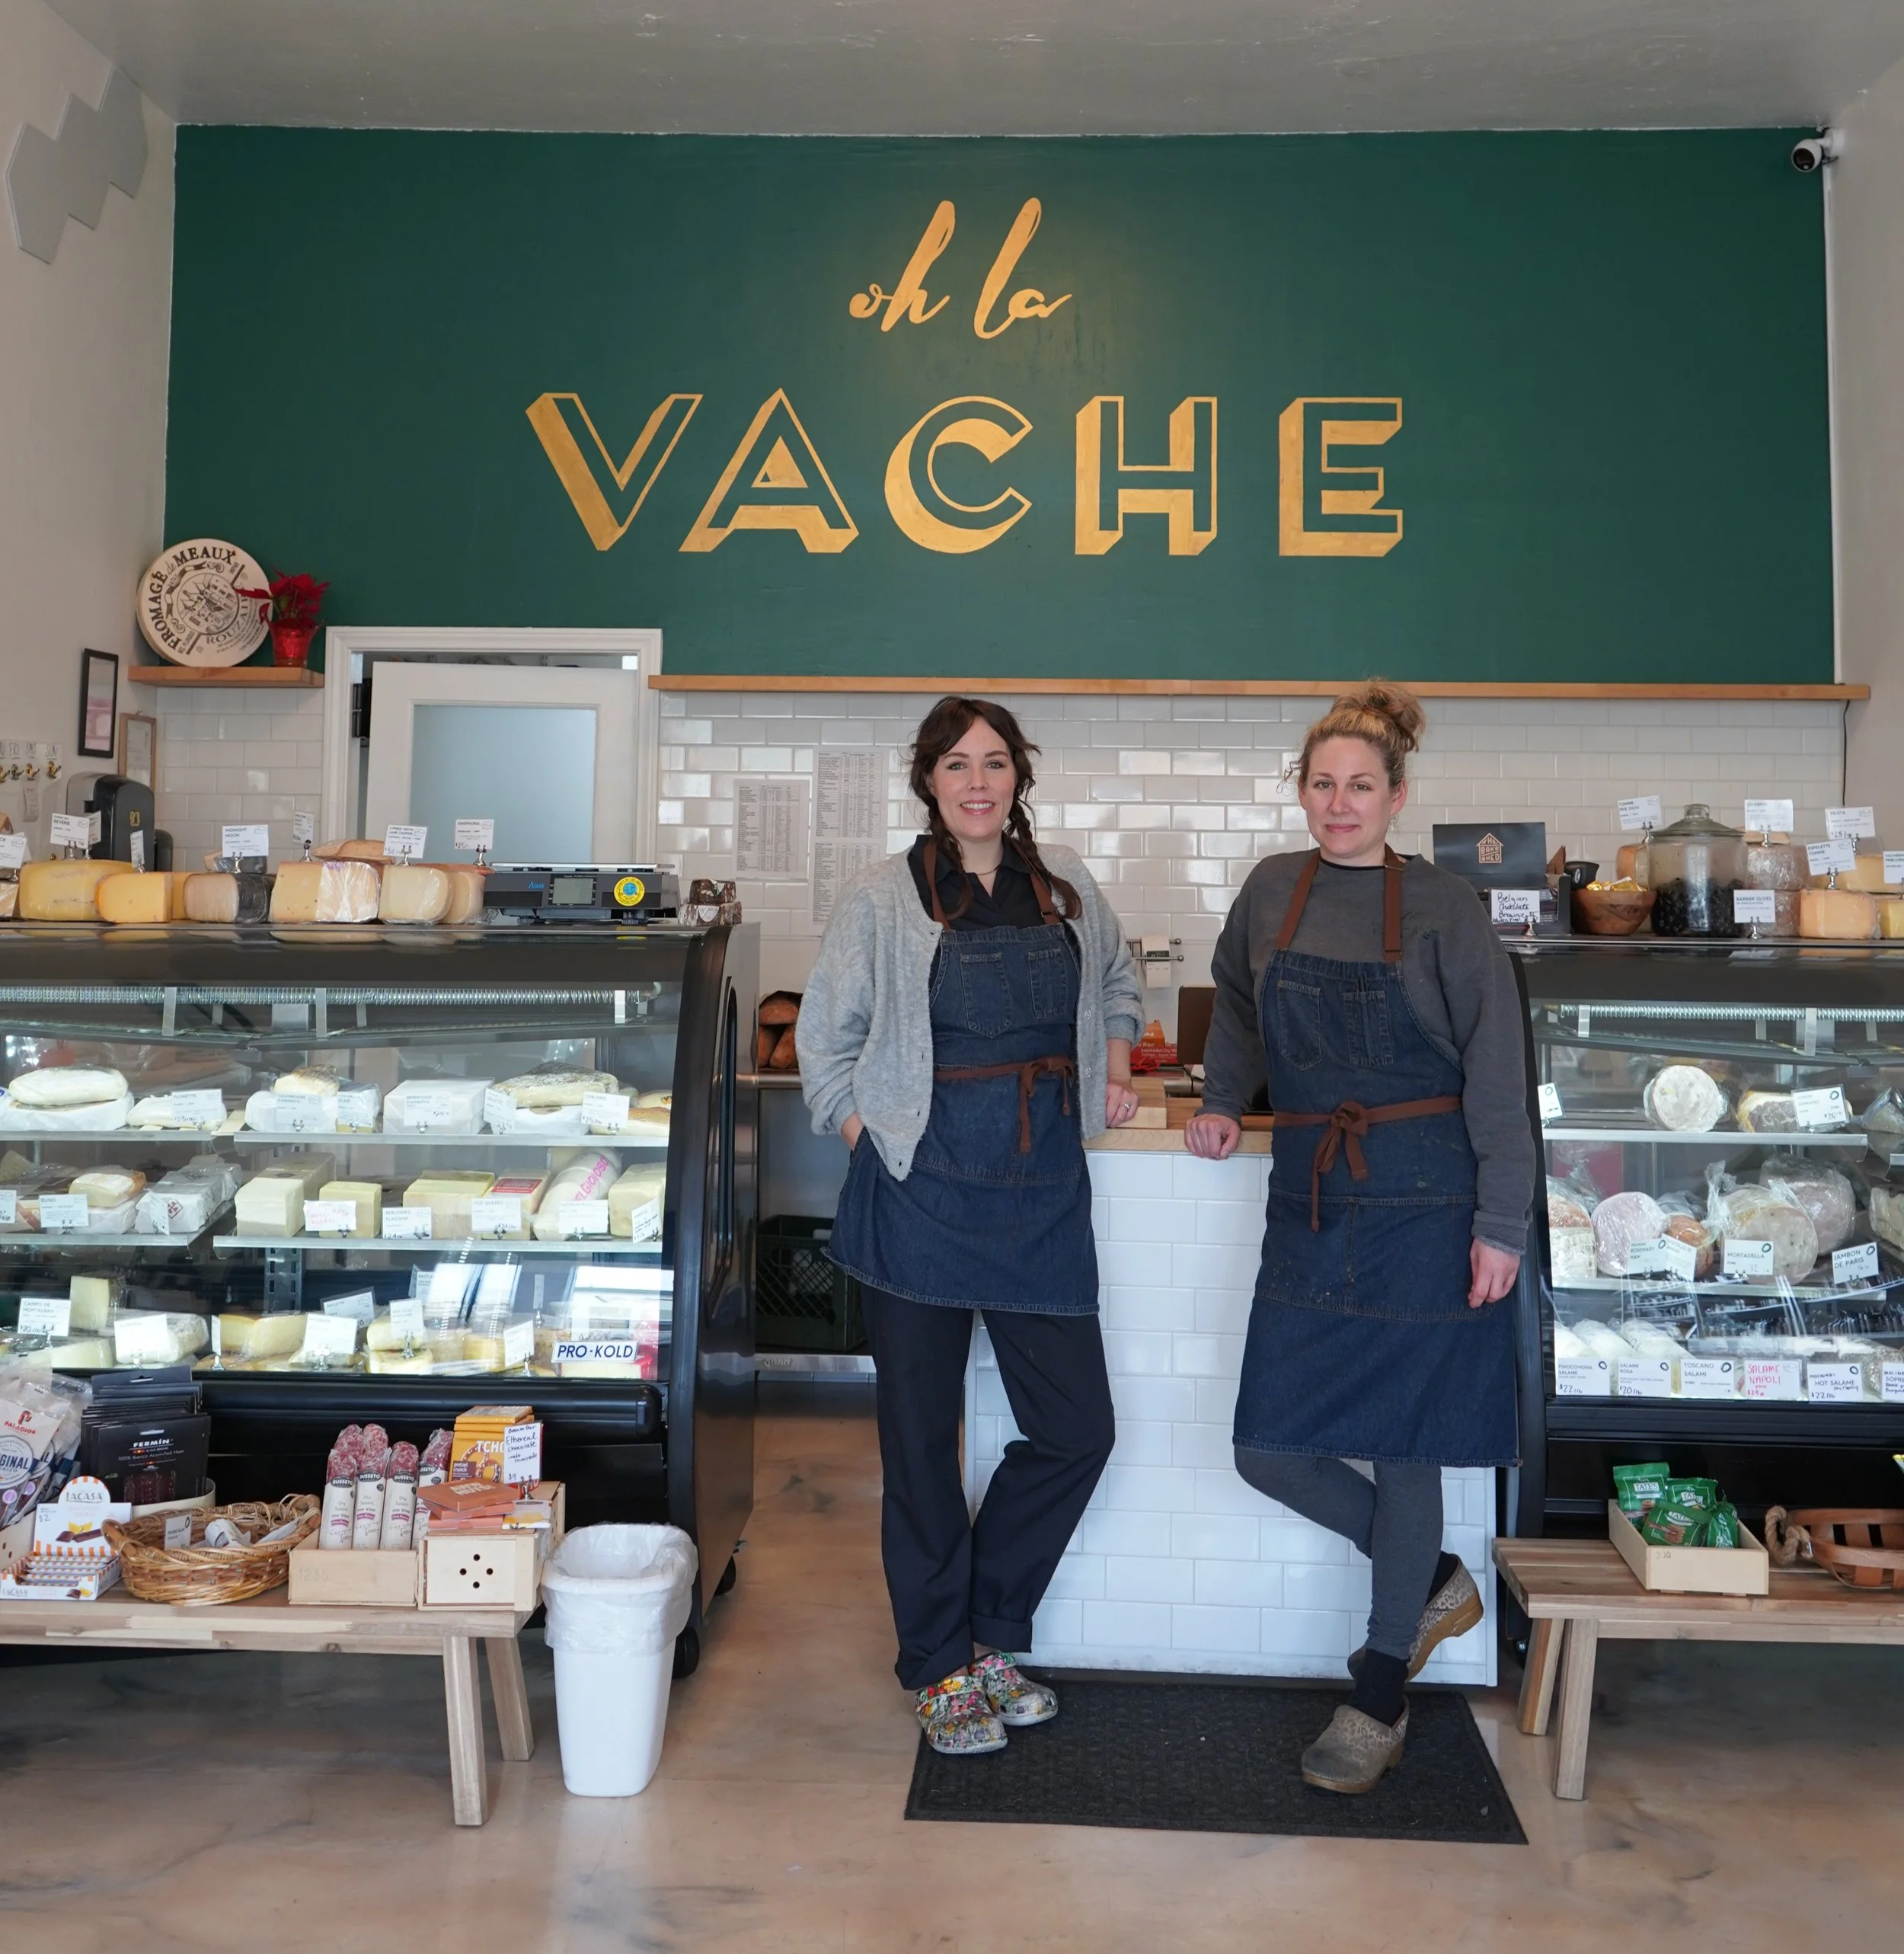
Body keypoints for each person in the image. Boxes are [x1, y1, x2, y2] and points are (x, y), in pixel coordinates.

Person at [1185, 680, 1535, 1795]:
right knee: (1265, 1445)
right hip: (1315, 1194)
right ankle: (1429, 1573)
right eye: (1323, 785)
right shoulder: (1270, 890)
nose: (1340, 806)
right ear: (1301, 792)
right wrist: (1218, 1098)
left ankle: (1382, 1689)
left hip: (1429, 1201)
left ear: (1397, 795)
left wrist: (1501, 1223)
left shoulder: (1443, 908)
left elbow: (1496, 1072)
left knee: (1406, 1438)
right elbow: (1236, 1006)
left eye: (1361, 787)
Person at [798, 696, 1142, 1756]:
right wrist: (874, 1137)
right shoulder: (879, 900)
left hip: (1039, 1193)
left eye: (995, 763)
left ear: (1019, 777)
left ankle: (990, 1631)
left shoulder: (1069, 883)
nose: (979, 783)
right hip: (921, 1194)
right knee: (920, 1449)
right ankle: (939, 1666)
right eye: (958, 766)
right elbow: (824, 1047)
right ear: (930, 783)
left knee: (1079, 1429)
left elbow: (1122, 983)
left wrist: (1118, 1062)